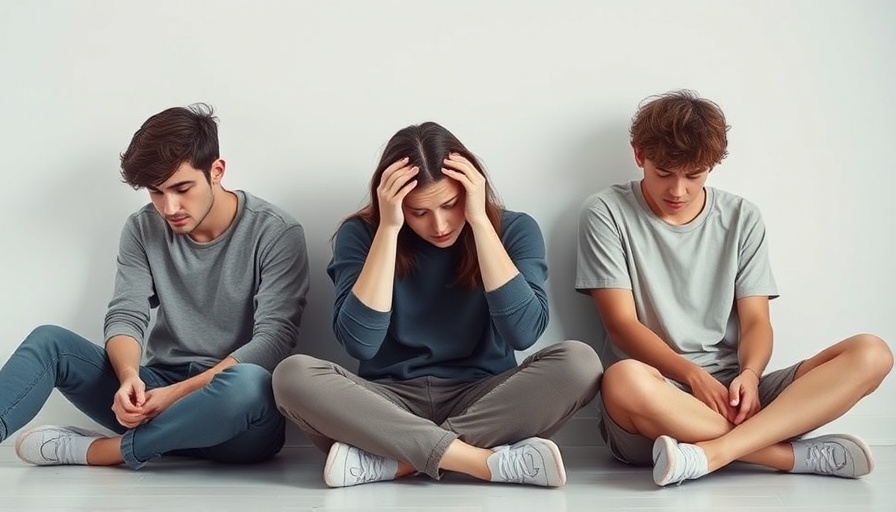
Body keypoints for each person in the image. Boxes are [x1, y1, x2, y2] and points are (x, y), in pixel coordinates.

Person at [575, 90, 893, 486]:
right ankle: (784, 456)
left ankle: (712, 453)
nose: (677, 190)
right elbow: (621, 324)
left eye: (693, 175)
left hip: (735, 397)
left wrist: (750, 374)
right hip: (653, 406)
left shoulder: (742, 217)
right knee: (621, 379)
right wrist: (692, 376)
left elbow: (757, 321)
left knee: (872, 353)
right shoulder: (605, 212)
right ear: (639, 155)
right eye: (663, 173)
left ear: (712, 165)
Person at [273, 121, 601, 488]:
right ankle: (479, 461)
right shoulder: (363, 234)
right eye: (419, 212)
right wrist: (388, 229)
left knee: (579, 362)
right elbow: (359, 343)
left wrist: (479, 222)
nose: (440, 224)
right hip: (386, 403)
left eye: (451, 204)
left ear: (470, 190)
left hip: (484, 398)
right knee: (292, 375)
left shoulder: (514, 229)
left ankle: (398, 462)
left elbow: (522, 332)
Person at [1, 104, 310, 469]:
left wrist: (176, 395)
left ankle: (101, 452)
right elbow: (126, 313)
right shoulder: (142, 228)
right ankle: (152, 440)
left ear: (217, 171)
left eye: (182, 188)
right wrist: (130, 377)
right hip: (153, 395)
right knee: (49, 342)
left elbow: (273, 341)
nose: (170, 206)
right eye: (156, 192)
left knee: (249, 383)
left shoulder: (275, 232)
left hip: (235, 422)